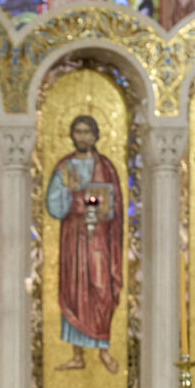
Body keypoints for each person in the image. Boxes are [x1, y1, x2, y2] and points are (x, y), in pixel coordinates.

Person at [45, 113, 124, 372]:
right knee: (74, 291)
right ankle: (77, 355)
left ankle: (103, 349)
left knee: (102, 288)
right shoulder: (64, 167)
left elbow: (116, 206)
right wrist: (69, 192)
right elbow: (54, 208)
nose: (83, 136)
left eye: (88, 132)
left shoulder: (107, 167)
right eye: (78, 131)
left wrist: (99, 207)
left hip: (100, 238)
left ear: (96, 136)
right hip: (74, 237)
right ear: (71, 135)